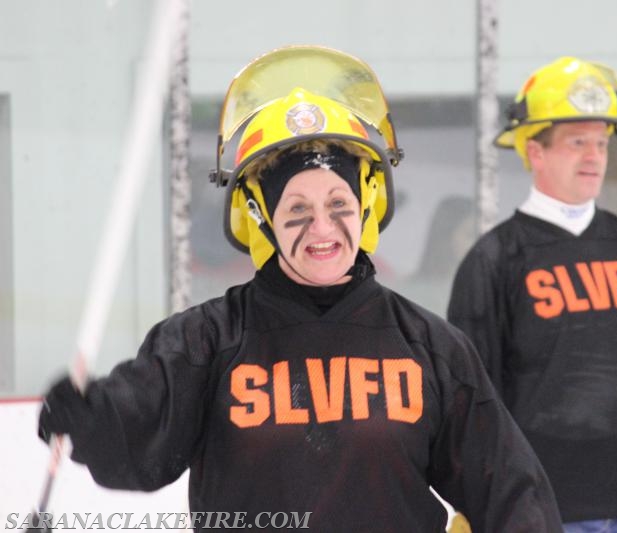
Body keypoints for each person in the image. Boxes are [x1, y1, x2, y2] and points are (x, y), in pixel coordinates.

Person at [36, 46, 562, 533]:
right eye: (297, 210)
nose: (323, 229)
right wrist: (91, 419)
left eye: (338, 204)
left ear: (368, 204)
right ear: (260, 218)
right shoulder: (205, 343)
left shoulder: (430, 348)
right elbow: (138, 444)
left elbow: (510, 490)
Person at [447, 56, 617, 533]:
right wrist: (471, 496)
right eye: (577, 143)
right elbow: (471, 394)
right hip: (535, 511)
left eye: (600, 143)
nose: (595, 156)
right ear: (535, 151)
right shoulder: (494, 260)